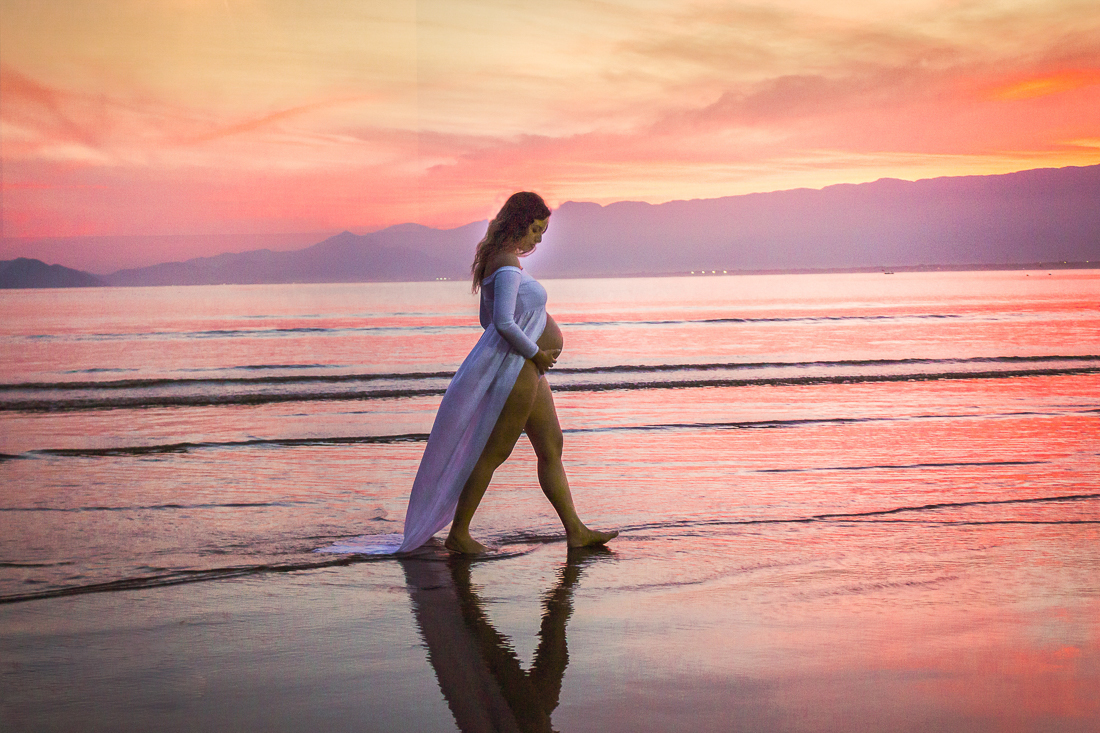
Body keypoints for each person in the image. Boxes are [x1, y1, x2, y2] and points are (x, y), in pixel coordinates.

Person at [398, 192, 617, 554]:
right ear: (518, 223)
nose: (539, 239)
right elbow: (501, 322)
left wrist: (532, 348)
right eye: (535, 229)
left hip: (526, 366)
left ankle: (576, 531)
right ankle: (459, 534)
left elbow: (486, 320)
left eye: (543, 232)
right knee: (494, 452)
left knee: (551, 446)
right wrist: (534, 352)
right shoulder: (507, 262)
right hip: (520, 367)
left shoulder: (498, 260)